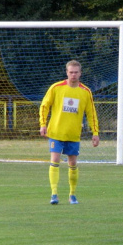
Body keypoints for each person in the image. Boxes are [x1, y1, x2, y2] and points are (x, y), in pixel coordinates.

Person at [39, 60, 99, 205]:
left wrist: (95, 132)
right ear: (67, 72)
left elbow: (91, 113)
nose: (73, 75)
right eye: (71, 72)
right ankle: (54, 194)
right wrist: (43, 124)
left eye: (76, 72)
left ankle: (72, 195)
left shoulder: (85, 91)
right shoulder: (56, 88)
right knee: (55, 160)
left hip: (73, 134)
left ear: (80, 73)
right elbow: (44, 106)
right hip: (56, 132)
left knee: (73, 163)